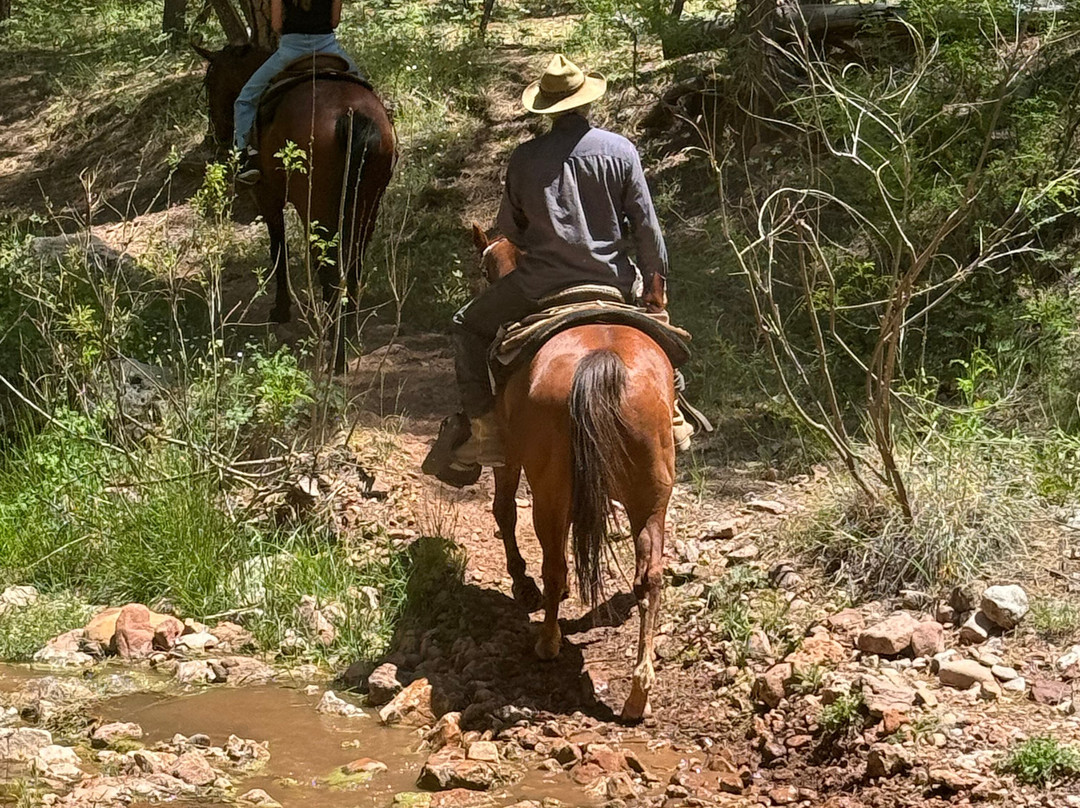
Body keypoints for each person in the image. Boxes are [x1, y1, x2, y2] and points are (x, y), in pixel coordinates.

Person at [428, 54, 688, 477]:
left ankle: (485, 429)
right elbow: (647, 229)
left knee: (467, 325)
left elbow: (510, 234)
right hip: (613, 282)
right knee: (663, 337)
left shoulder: (525, 158)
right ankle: (674, 416)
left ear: (547, 107)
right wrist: (654, 293)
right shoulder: (620, 151)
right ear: (586, 101)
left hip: (538, 286)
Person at [232, 0, 359, 184]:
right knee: (364, 84)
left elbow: (276, 25)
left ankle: (244, 159)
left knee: (245, 99)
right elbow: (334, 22)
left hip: (290, 52)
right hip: (327, 47)